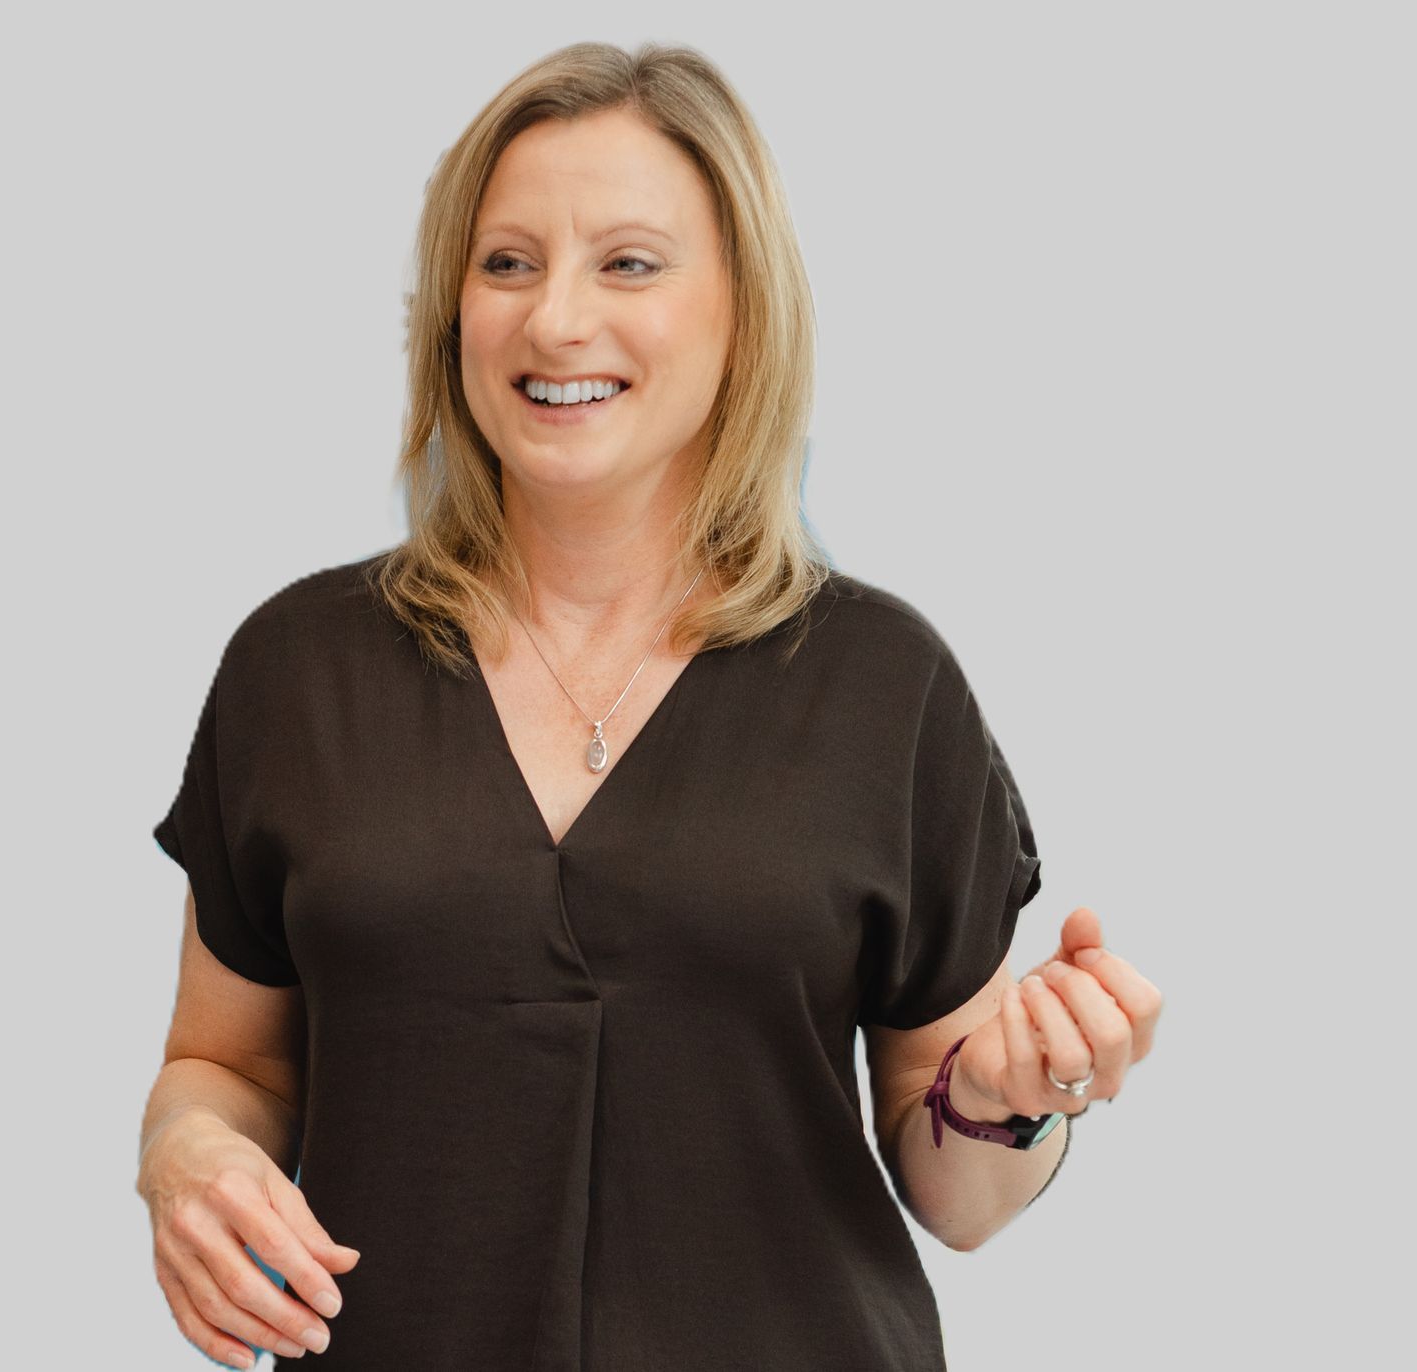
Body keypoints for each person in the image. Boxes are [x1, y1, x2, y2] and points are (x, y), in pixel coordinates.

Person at [137, 40, 1163, 1371]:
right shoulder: (298, 671)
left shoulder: (884, 689)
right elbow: (230, 1068)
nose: (556, 319)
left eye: (629, 262)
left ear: (742, 310)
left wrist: (1013, 1102)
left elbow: (955, 1181)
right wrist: (186, 1159)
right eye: (507, 263)